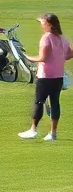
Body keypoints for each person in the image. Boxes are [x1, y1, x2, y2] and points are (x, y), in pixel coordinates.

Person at [21, 12, 72, 140]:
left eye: (43, 23)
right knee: (55, 103)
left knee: (39, 101)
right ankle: (53, 133)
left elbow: (42, 57)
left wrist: (27, 57)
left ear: (49, 25)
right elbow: (68, 55)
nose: (42, 26)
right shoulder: (62, 38)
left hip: (45, 76)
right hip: (58, 76)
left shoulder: (46, 37)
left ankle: (33, 130)